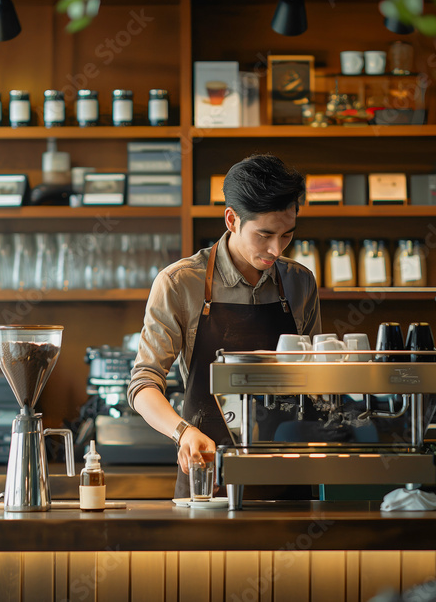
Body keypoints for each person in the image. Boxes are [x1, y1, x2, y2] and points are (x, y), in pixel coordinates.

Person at [127, 153, 321, 498]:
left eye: (287, 235)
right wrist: (183, 432)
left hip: (289, 473)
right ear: (232, 219)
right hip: (207, 472)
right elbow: (143, 384)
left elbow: (319, 377)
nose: (276, 249)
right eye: (264, 235)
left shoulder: (300, 282)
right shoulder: (179, 283)